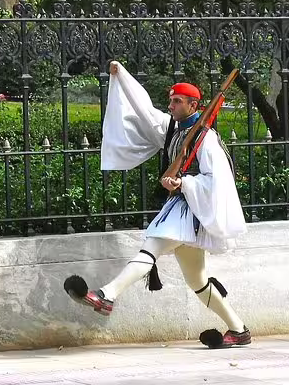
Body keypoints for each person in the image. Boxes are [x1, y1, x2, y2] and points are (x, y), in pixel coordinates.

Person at [65, 60, 250, 349]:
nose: (172, 105)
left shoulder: (207, 138)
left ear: (193, 105)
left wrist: (184, 183)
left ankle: (106, 295)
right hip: (179, 208)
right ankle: (239, 330)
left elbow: (216, 180)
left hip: (190, 210)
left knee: (150, 248)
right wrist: (122, 75)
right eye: (171, 100)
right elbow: (145, 110)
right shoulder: (172, 128)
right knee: (198, 282)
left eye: (178, 101)